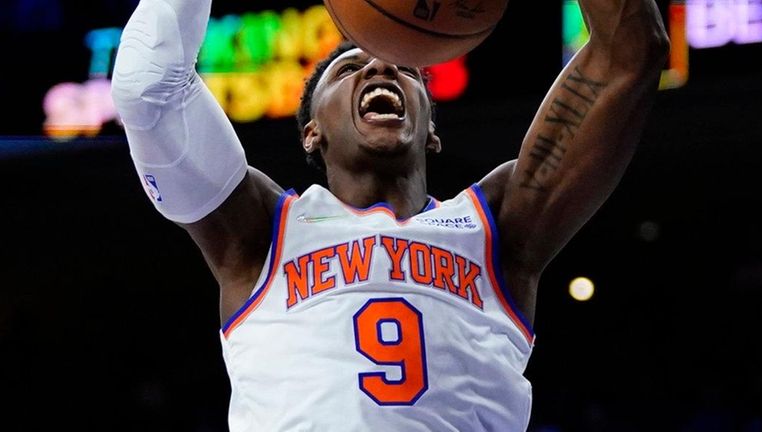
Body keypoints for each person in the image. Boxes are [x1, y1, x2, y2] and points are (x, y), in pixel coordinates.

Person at [110, 0, 669, 430]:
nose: (379, 65)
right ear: (312, 131)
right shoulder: (257, 233)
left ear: (431, 129)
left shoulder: (500, 227)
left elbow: (631, 50)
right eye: (349, 67)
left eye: (405, 67)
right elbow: (148, 90)